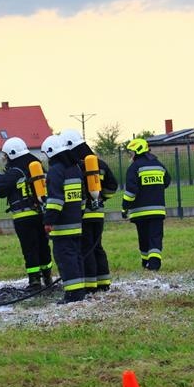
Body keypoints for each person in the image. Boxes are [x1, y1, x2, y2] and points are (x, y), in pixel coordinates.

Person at [60, 128, 118, 293]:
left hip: (82, 213)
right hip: (98, 213)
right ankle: (104, 282)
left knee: (85, 248)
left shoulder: (73, 165)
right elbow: (112, 186)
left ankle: (90, 285)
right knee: (97, 246)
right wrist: (101, 198)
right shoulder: (100, 163)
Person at [0, 137, 54, 290]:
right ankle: (48, 278)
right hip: (41, 214)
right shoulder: (37, 166)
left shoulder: (15, 171)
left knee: (29, 248)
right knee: (43, 246)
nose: (4, 159)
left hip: (23, 217)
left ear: (12, 154)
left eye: (6, 155)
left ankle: (34, 281)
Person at [40, 133, 86, 304]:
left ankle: (73, 295)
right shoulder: (75, 169)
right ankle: (79, 291)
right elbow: (82, 198)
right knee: (76, 258)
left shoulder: (56, 171)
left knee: (65, 259)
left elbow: (56, 200)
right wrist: (78, 215)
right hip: (76, 223)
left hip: (62, 226)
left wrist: (48, 221)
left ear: (51, 152)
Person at [121, 138, 171, 271]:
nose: (130, 155)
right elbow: (167, 181)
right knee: (155, 237)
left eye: (131, 152)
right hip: (158, 211)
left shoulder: (134, 167)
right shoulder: (159, 165)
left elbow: (130, 192)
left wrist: (125, 207)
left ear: (137, 151)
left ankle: (146, 263)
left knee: (143, 238)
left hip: (140, 212)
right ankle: (154, 265)